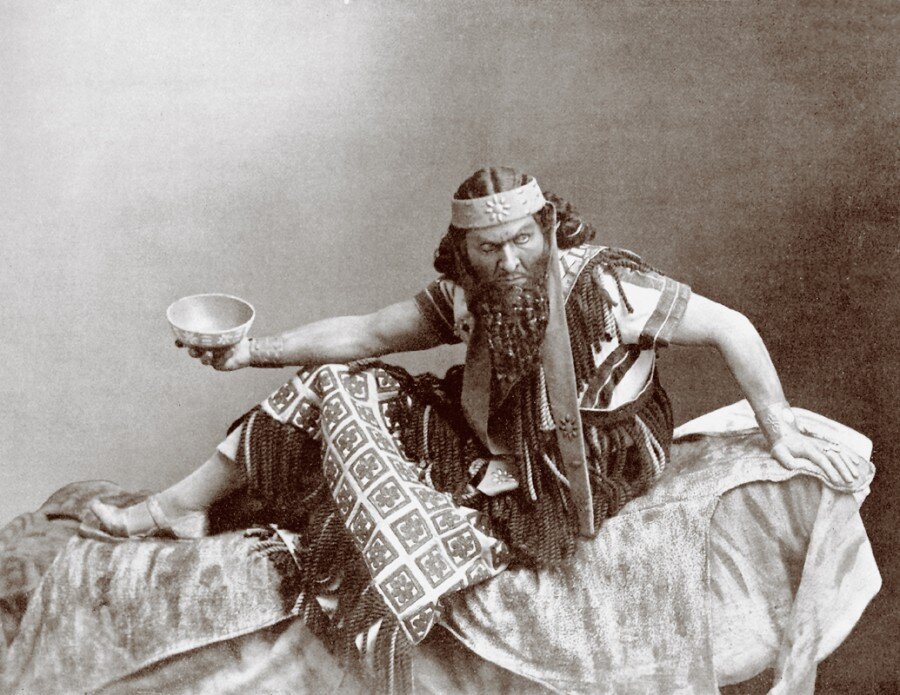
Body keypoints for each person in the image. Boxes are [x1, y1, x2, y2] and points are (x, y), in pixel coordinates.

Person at [84, 166, 866, 691]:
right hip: (479, 437)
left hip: (579, 464)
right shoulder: (465, 292)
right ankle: (174, 508)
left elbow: (731, 326)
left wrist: (778, 425)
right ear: (464, 251)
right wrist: (251, 351)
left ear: (550, 230)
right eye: (490, 248)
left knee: (405, 559)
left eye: (524, 239)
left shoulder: (608, 284)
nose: (511, 260)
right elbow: (364, 333)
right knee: (331, 384)